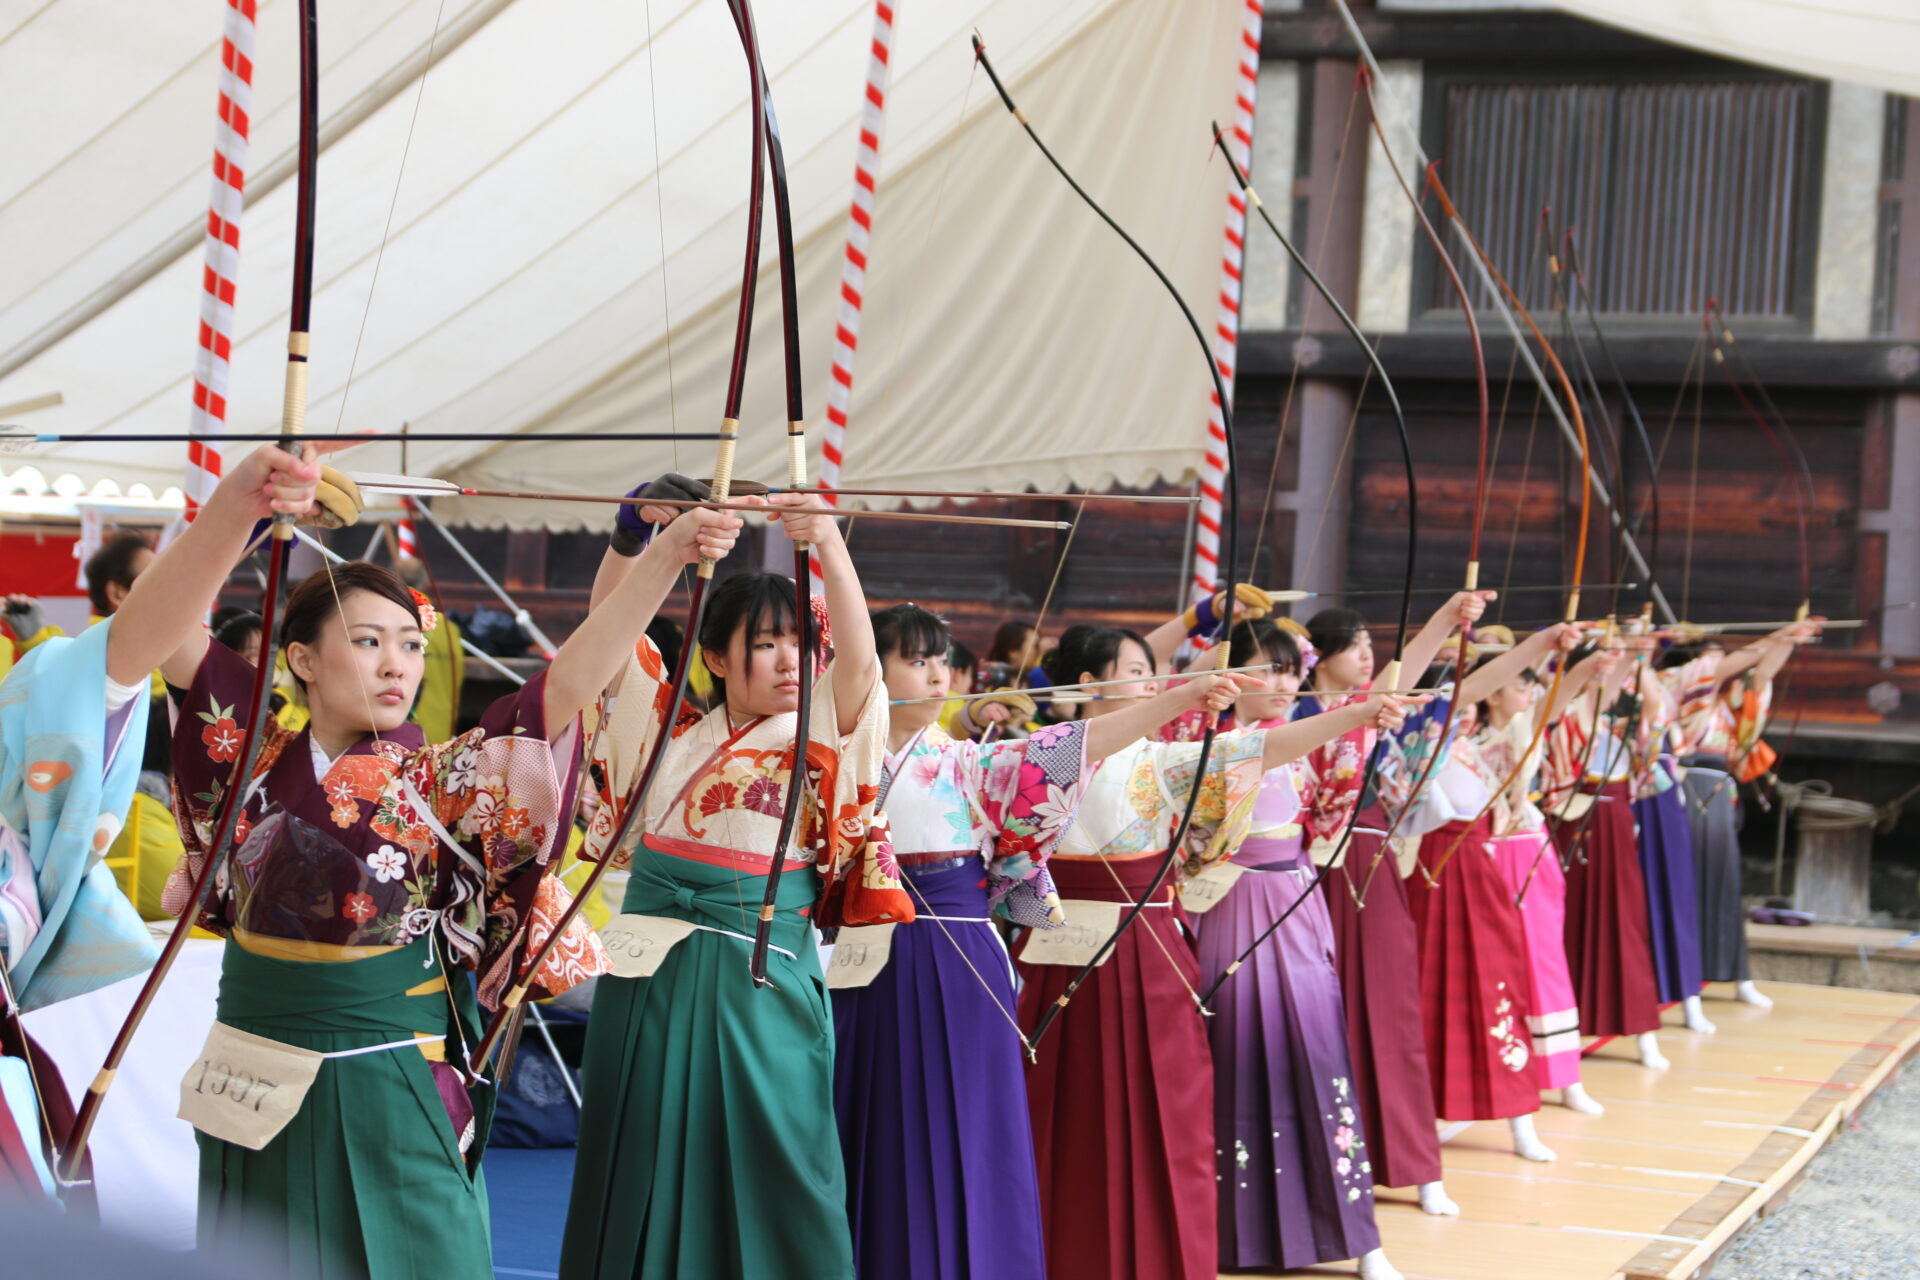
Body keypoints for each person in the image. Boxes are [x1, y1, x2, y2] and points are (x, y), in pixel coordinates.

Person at [159, 443, 735, 1278]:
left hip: (389, 1069)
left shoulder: (442, 779)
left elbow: (568, 684)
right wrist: (242, 516)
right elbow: (168, 628)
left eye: (409, 644)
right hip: (254, 1068)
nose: (396, 664)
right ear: (302, 659)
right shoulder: (248, 756)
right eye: (367, 641)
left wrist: (662, 555)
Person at [834, 603, 1250, 1280]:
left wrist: (1181, 696)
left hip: (956, 961)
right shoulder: (835, 757)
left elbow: (1077, 744)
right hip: (863, 956)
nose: (937, 676)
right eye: (916, 660)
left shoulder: (970, 763)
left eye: (943, 661)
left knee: (963, 1123)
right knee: (866, 1117)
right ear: (868, 670)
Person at [1017, 618, 1413, 1280]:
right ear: (1088, 683)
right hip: (1053, 949)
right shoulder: (1037, 752)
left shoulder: (1161, 760)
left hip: (1142, 951)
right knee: (1057, 1101)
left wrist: (1358, 714)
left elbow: (1262, 747)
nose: (1152, 683)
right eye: (1135, 672)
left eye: (1153, 673)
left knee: (1158, 1107)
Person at [562, 491, 888, 1280]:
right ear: (713, 657)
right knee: (639, 1145)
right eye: (767, 643)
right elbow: (611, 634)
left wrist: (829, 544)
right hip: (649, 975)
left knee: (778, 1153)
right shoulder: (672, 733)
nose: (791, 661)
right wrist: (635, 538)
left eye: (801, 643)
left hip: (760, 973)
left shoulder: (816, 735)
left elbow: (862, 667)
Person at [1192, 619, 1405, 1280]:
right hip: (1228, 906)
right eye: (1268, 668)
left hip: (1295, 900)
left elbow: (1365, 708)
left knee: (1317, 1056)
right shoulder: (1205, 744)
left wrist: (1443, 627)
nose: (1284, 683)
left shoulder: (1306, 742)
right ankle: (1224, 1234)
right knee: (1233, 1053)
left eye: (1291, 670)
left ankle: (1361, 1240)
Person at [1295, 594, 1487, 1217]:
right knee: (1315, 1020)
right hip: (1301, 874)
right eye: (1354, 645)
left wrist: (1447, 620)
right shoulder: (1295, 714)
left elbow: (1408, 675)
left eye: (1370, 645)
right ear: (1319, 656)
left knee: (1389, 1010)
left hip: (1366, 866)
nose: (1366, 655)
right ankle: (1320, 1167)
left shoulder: (1368, 709)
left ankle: (1415, 1164)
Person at [1393, 623, 1582, 1161]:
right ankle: (1432, 1108)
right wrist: (1534, 648)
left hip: (1477, 869)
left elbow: (1541, 709)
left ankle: (1520, 1119)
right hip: (1430, 870)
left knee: (1500, 984)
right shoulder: (1420, 740)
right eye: (1458, 698)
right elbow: (1468, 692)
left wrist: (1559, 658)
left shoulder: (1486, 747)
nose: (1467, 708)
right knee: (1430, 990)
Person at [1471, 631, 1613, 1115]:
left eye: (1532, 686)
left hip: (1525, 851)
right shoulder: (1467, 740)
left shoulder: (1523, 728)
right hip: (1484, 853)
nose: (1529, 694)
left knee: (1544, 960)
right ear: (1491, 694)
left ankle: (1564, 1075)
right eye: (1519, 686)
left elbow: (1554, 702)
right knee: (1494, 966)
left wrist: (1587, 667)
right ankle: (1502, 1069)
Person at [1658, 618, 1821, 1009]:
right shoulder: (1675, 688)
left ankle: (1738, 975)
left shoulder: (1724, 705)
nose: (1722, 664)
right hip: (1688, 788)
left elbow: (1760, 675)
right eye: (1713, 659)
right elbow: (1734, 665)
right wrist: (1779, 634)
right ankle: (1686, 977)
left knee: (1727, 883)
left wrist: (1790, 640)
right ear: (1693, 664)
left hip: (1719, 793)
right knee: (1689, 883)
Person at [1543, 647, 1667, 1068]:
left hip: (1614, 821)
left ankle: (1643, 1029)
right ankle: (1569, 1026)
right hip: (1575, 821)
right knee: (1572, 922)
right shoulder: (1567, 714)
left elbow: (1653, 707)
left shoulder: (1613, 721)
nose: (1607, 686)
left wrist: (1634, 656)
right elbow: (1595, 700)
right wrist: (1618, 661)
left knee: (1626, 922)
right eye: (1598, 674)